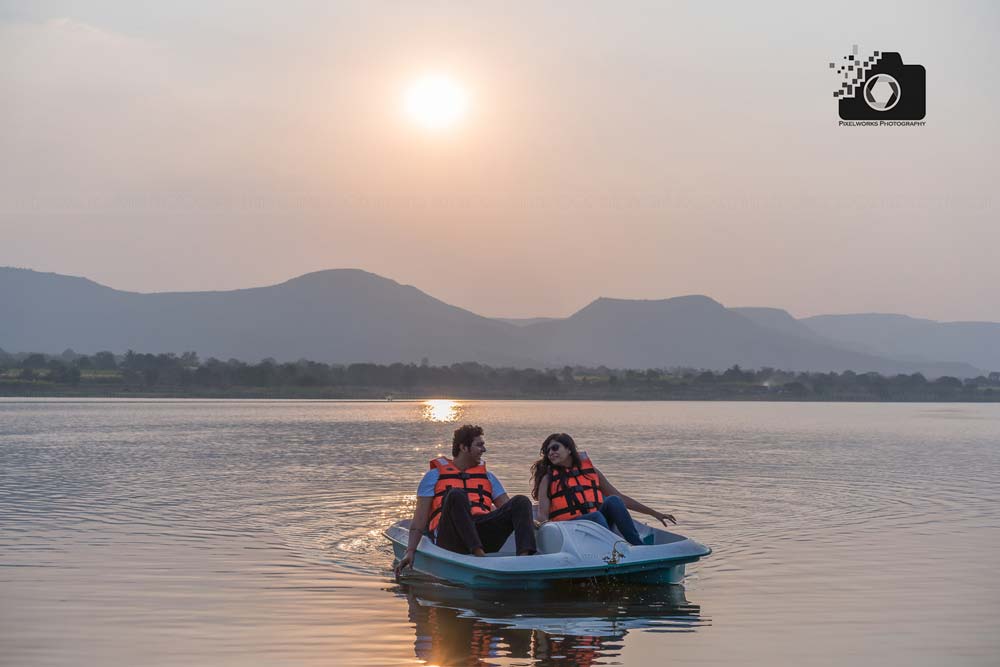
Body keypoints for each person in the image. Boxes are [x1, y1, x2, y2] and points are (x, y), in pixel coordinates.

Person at [395, 425, 536, 576]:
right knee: (456, 495)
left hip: (483, 532)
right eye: (479, 445)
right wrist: (410, 551)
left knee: (521, 501)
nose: (484, 450)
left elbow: (508, 509)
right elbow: (420, 520)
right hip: (450, 538)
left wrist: (535, 522)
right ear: (463, 447)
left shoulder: (488, 477)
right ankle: (479, 555)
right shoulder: (433, 476)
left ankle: (524, 561)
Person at [530, 433, 675, 545]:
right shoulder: (548, 479)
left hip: (595, 524)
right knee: (596, 516)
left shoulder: (591, 471)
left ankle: (637, 546)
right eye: (548, 450)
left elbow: (621, 498)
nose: (550, 453)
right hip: (569, 530)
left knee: (613, 500)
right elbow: (543, 515)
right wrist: (535, 528)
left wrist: (654, 513)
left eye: (555, 448)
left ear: (569, 449)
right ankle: (614, 550)